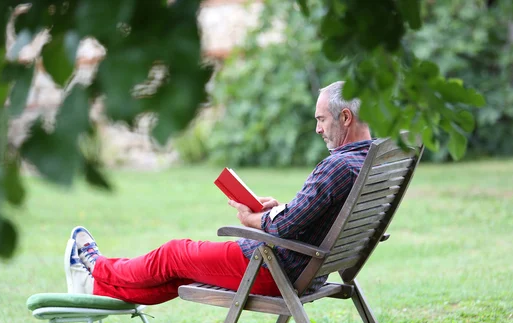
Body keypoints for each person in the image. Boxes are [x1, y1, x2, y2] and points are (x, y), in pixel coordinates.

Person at [66, 81, 373, 305]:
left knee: (174, 254)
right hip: (308, 268)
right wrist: (278, 208)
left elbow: (281, 227)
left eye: (321, 119)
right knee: (180, 273)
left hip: (275, 268)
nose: (318, 129)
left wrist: (253, 217)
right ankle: (95, 288)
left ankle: (96, 267)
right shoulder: (369, 161)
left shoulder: (339, 167)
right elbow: (312, 216)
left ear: (345, 118)